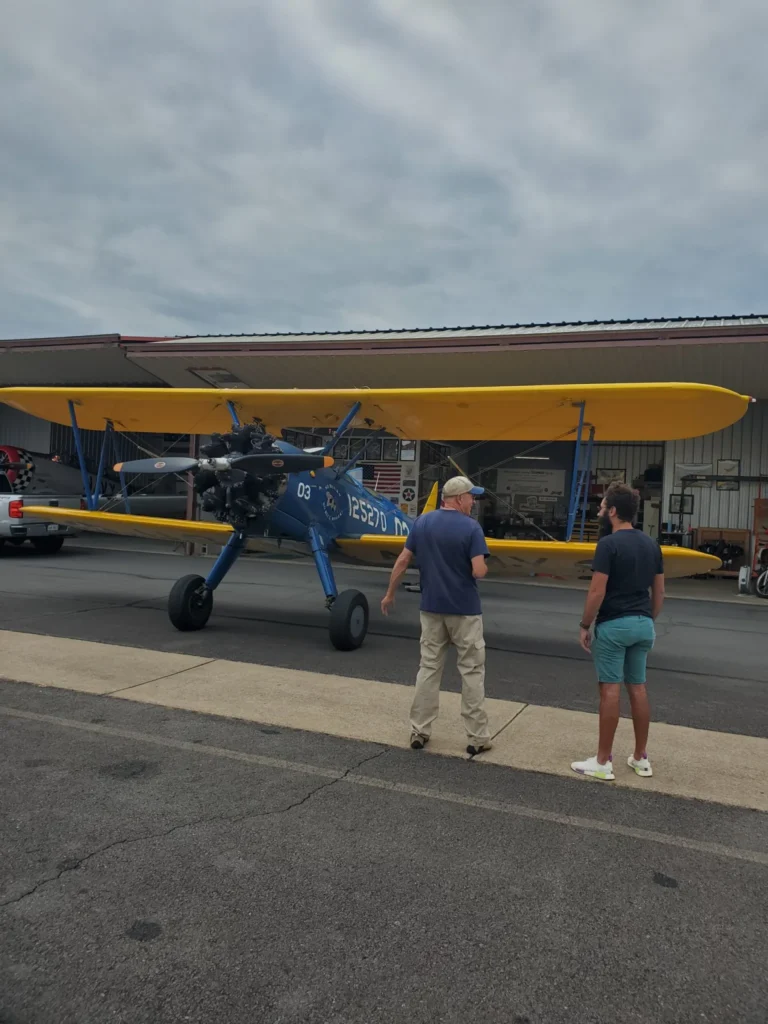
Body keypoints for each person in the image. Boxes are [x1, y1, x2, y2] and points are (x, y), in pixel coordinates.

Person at [381, 475, 492, 756]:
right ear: (459, 499)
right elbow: (479, 570)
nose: (473, 501)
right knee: (471, 671)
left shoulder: (423, 522)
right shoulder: (472, 528)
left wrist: (390, 593)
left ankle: (419, 729)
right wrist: (479, 569)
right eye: (471, 496)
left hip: (430, 607)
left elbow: (404, 559)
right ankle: (477, 737)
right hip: (465, 610)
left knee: (429, 668)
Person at [572, 483, 665, 781]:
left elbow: (597, 591)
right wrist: (647, 619)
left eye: (602, 507)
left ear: (613, 511)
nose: (600, 511)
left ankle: (602, 761)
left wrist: (585, 625)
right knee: (638, 687)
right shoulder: (652, 544)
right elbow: (659, 591)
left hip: (614, 625)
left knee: (609, 689)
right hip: (643, 624)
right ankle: (641, 758)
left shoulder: (608, 544)